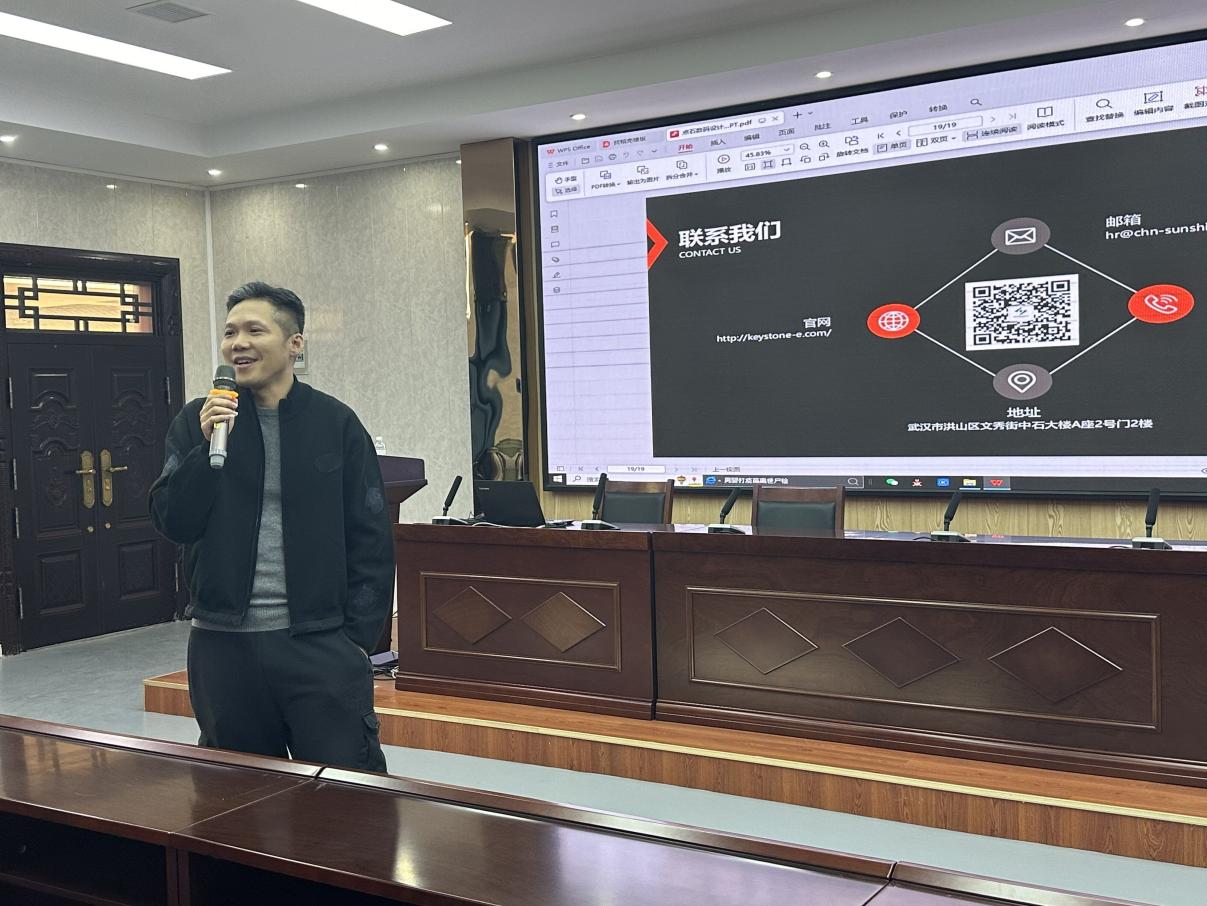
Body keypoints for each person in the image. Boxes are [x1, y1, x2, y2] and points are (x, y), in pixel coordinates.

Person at [149, 281, 394, 771]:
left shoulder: (335, 423)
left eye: (254, 331)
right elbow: (173, 520)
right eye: (229, 332)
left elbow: (371, 535)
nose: (237, 343)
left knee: (345, 793)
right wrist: (204, 449)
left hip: (318, 643)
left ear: (294, 343)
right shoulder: (197, 421)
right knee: (237, 794)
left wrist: (355, 642)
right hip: (222, 645)